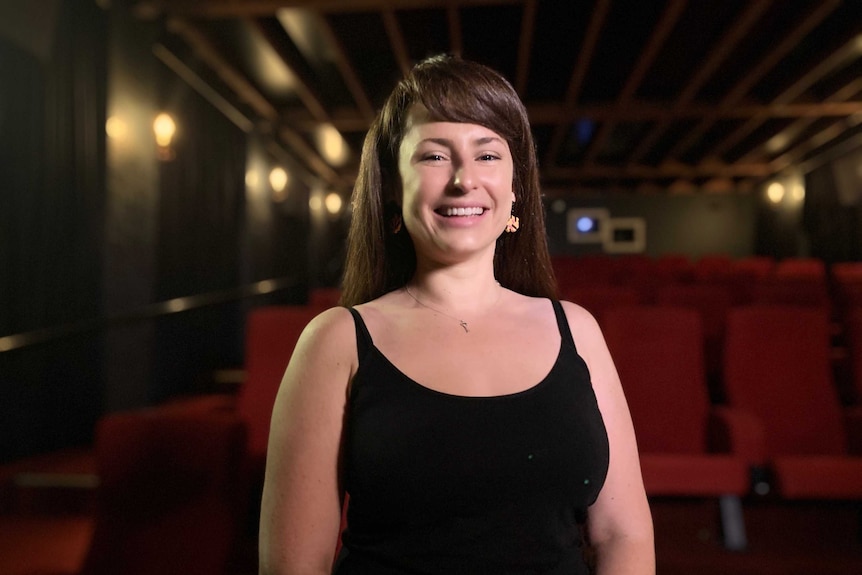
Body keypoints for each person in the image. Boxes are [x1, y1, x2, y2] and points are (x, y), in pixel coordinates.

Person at [259, 54, 654, 575]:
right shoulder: (336, 341)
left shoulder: (577, 330)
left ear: (516, 189)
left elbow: (623, 534)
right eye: (433, 156)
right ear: (394, 187)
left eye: (488, 155)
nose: (465, 180)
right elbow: (295, 567)